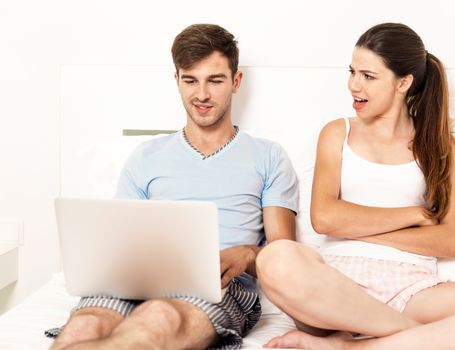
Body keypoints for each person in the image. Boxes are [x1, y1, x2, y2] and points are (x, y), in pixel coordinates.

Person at [256, 22, 455, 350]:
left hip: (412, 286)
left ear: (403, 82)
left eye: (368, 76)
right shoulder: (337, 133)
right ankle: (409, 337)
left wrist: (356, 225)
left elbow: (454, 240)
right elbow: (326, 218)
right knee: (274, 258)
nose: (353, 85)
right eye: (352, 72)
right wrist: (415, 214)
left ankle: (353, 345)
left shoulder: (436, 146)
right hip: (335, 286)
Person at [48, 23, 298, 350]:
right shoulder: (145, 156)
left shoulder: (268, 155)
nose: (202, 94)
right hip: (137, 280)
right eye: (190, 80)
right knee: (84, 325)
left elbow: (286, 255)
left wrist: (247, 254)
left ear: (236, 82)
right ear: (176, 80)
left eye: (215, 80)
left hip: (221, 286)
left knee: (160, 316)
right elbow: (119, 238)